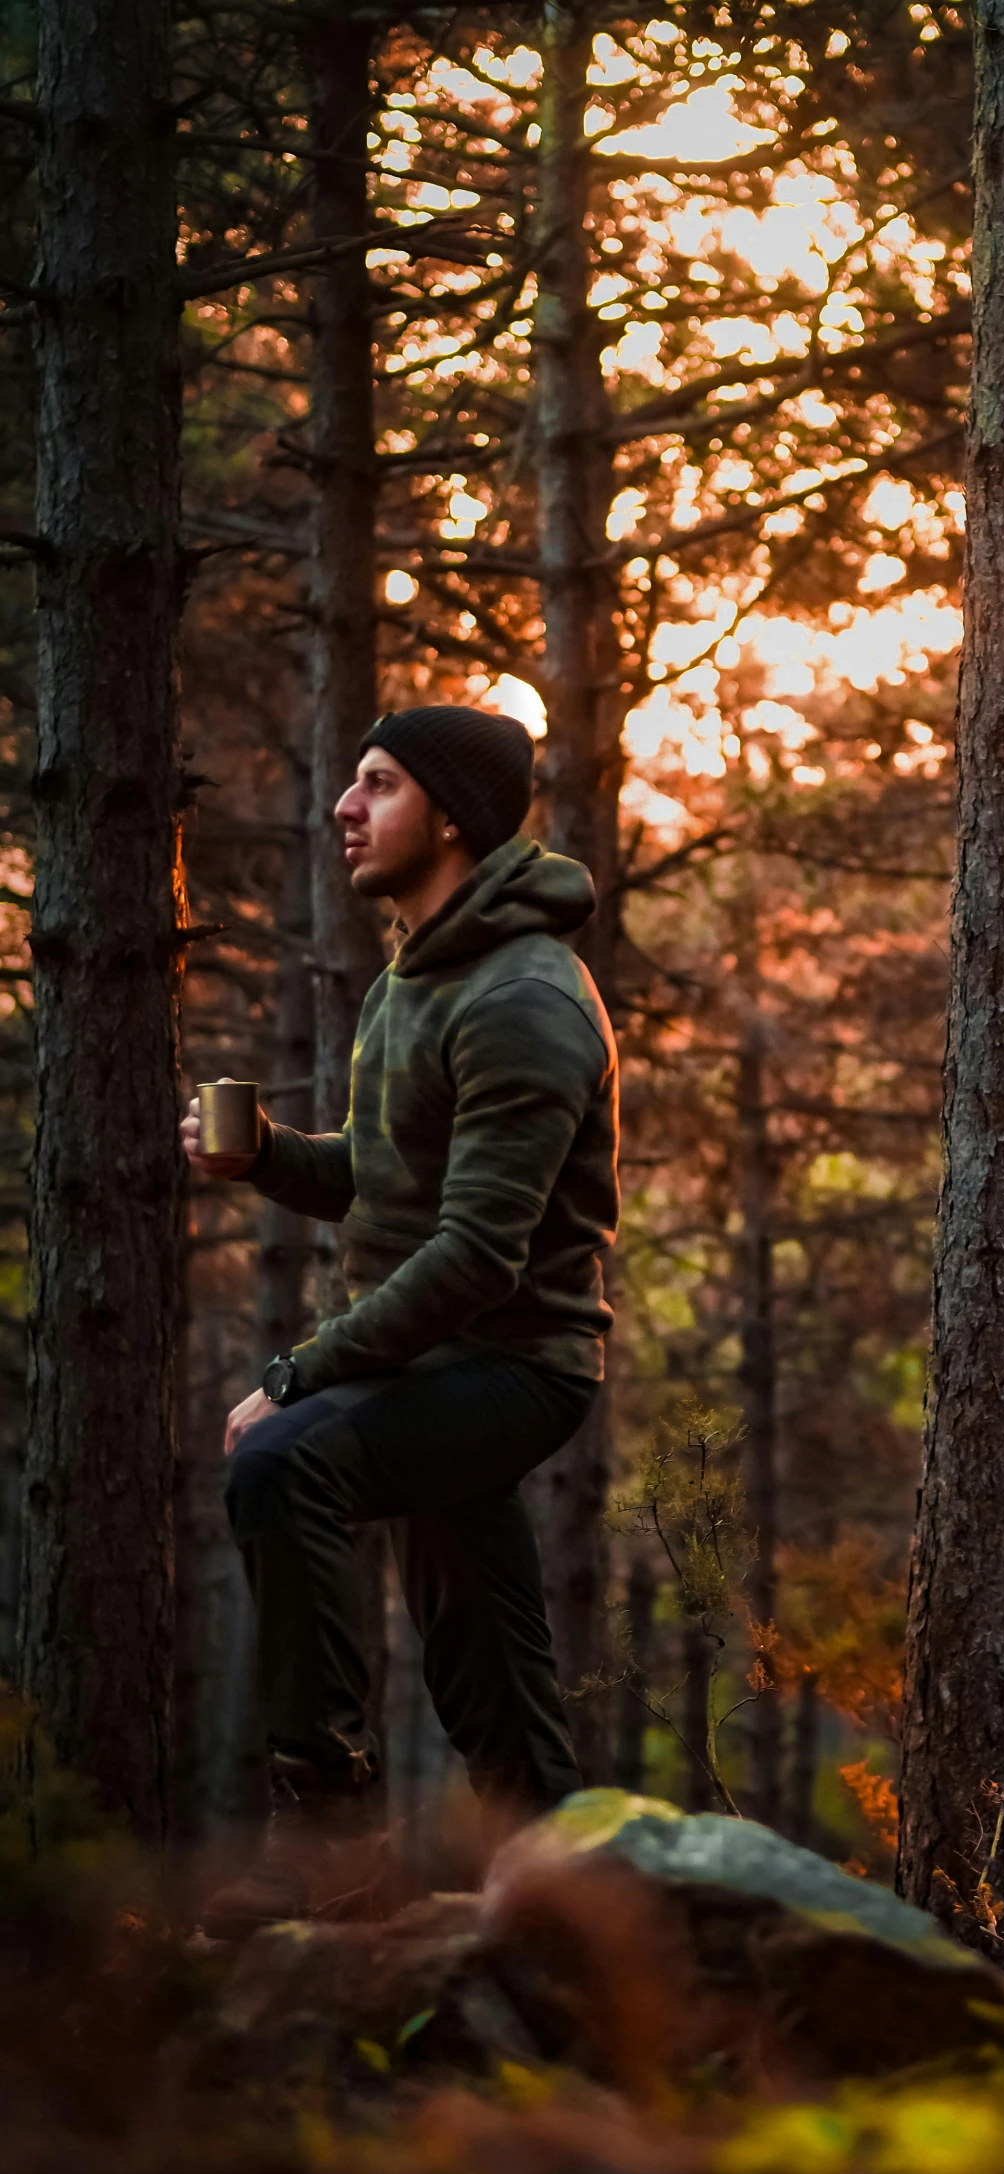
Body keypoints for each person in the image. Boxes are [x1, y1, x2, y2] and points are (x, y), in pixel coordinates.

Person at [183, 704, 618, 1936]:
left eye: (378, 783)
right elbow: (384, 1181)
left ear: (453, 815)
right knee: (484, 1643)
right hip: (427, 1361)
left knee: (282, 1461)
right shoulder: (415, 977)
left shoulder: (525, 995)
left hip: (507, 1363)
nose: (344, 804)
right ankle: (563, 1890)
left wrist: (301, 1370)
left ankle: (329, 1837)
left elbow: (479, 1252)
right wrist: (267, 1155)